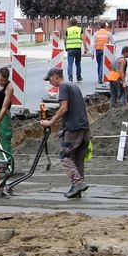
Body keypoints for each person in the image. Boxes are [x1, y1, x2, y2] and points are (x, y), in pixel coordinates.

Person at [40, 68, 90, 198]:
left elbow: (64, 108)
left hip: (73, 129)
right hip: (84, 128)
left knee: (65, 156)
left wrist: (50, 122)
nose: (50, 83)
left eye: (50, 79)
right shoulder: (74, 86)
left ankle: (78, 183)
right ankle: (77, 187)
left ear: (56, 77)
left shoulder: (63, 87)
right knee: (78, 159)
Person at [64, 19, 83, 83]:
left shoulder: (68, 30)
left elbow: (65, 39)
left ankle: (70, 78)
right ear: (76, 23)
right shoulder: (80, 29)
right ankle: (78, 77)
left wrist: (65, 47)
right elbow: (83, 38)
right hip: (77, 49)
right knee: (78, 64)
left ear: (70, 23)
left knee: (70, 64)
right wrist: (86, 48)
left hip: (70, 49)